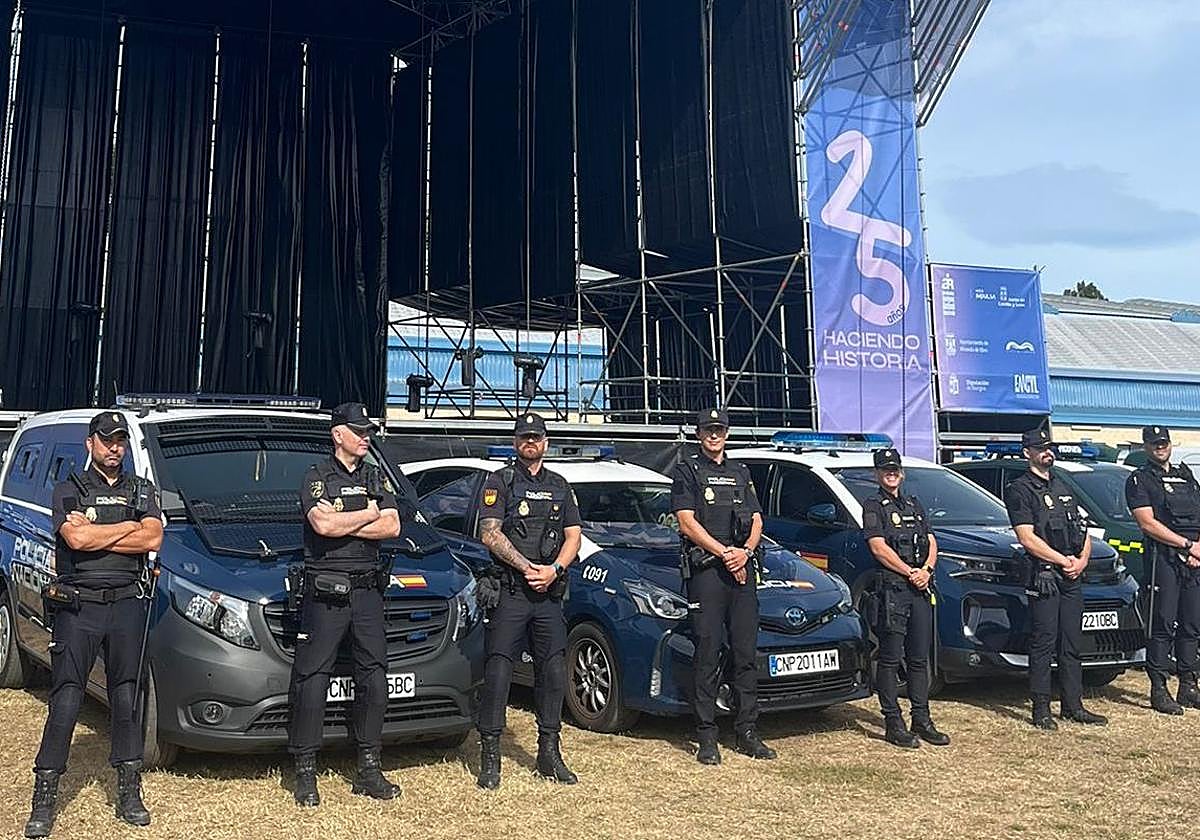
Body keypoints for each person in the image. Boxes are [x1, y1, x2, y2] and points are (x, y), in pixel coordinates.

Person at [25, 412, 164, 837]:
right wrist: (129, 528)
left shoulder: (142, 489)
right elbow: (76, 540)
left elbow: (153, 538)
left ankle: (128, 790)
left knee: (126, 698)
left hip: (127, 604)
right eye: (106, 440)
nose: (114, 447)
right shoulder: (69, 488)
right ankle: (45, 798)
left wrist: (104, 527)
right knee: (67, 698)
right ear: (90, 444)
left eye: (120, 440)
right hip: (79, 607)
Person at [289, 402, 402, 807]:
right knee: (312, 677)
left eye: (367, 430)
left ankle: (369, 768)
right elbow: (321, 525)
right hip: (327, 592)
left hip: (368, 590)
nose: (366, 436)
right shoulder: (317, 477)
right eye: (359, 431)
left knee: (374, 675)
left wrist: (349, 519)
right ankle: (305, 771)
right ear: (338, 435)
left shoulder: (375, 475)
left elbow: (393, 525)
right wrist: (367, 513)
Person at [475, 413, 582, 789]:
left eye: (536, 437)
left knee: (553, 671)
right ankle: (491, 754)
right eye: (524, 437)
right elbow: (490, 533)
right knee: (499, 671)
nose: (530, 442)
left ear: (546, 442)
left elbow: (574, 536)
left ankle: (549, 751)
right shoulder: (500, 480)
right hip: (512, 591)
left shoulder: (560, 485)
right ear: (516, 441)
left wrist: (553, 569)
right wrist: (527, 568)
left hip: (548, 593)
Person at [671, 408, 775, 765]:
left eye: (719, 429)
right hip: (708, 573)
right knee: (708, 651)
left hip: (741, 570)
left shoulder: (740, 472)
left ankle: (747, 730)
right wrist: (724, 553)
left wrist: (744, 552)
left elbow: (757, 519)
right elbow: (686, 522)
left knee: (746, 653)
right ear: (699, 434)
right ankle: (707, 735)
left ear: (727, 433)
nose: (713, 435)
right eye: (707, 430)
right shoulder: (687, 470)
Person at [1003, 427, 1107, 730]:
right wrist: (1062, 560)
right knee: (1044, 642)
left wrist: (1082, 560)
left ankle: (1073, 705)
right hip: (1045, 574)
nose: (1047, 452)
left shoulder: (1063, 485)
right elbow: (1027, 537)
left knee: (1072, 642)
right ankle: (1041, 708)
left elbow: (1084, 528)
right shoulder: (1020, 489)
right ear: (1028, 453)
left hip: (1071, 574)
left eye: (1049, 447)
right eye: (1040, 448)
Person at [861, 447, 949, 749]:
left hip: (920, 589)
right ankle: (893, 722)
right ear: (877, 474)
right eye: (886, 469)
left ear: (902, 472)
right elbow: (877, 547)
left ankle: (921, 719)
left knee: (918, 657)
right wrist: (908, 571)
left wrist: (925, 569)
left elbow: (931, 540)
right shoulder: (873, 505)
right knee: (889, 658)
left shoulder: (914, 504)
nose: (891, 473)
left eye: (895, 469)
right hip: (893, 590)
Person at [1125, 425, 1200, 715]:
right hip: (1164, 558)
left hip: (1193, 558)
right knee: (1162, 624)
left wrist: (1196, 548)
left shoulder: (1185, 475)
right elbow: (1147, 523)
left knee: (1192, 624)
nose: (1160, 447)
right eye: (1155, 443)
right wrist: (1185, 545)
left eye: (1164, 442)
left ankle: (1188, 684)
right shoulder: (1140, 479)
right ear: (1145, 446)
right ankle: (1159, 688)